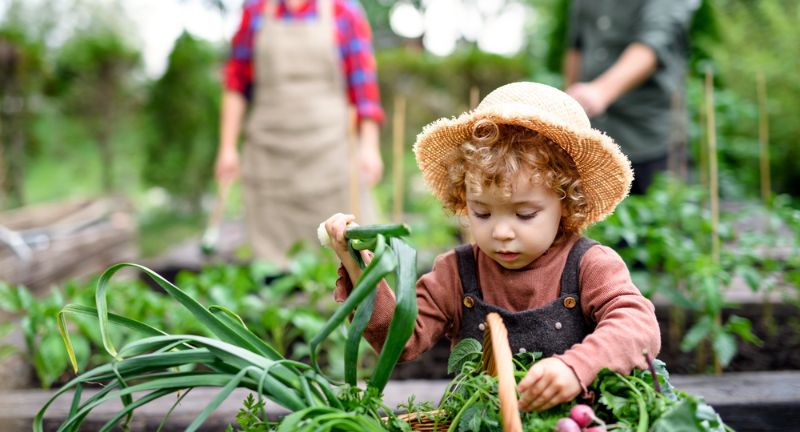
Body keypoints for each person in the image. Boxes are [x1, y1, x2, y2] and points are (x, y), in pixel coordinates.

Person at [323, 82, 661, 412]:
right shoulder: (456, 272)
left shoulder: (590, 265)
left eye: (525, 214)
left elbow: (637, 326)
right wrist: (360, 268)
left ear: (566, 203)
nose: (500, 232)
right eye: (481, 212)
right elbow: (399, 341)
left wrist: (577, 367)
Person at [215, 0, 385, 267]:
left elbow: (363, 90)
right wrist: (227, 148)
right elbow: (236, 83)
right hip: (269, 156)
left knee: (342, 261)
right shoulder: (255, 11)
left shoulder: (344, 12)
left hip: (330, 153)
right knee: (270, 269)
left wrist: (369, 147)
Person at [563, 0, 695, 194]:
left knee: (665, 217)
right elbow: (576, 47)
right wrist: (568, 109)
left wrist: (600, 92)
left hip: (651, 139)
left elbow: (653, 44)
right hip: (595, 139)